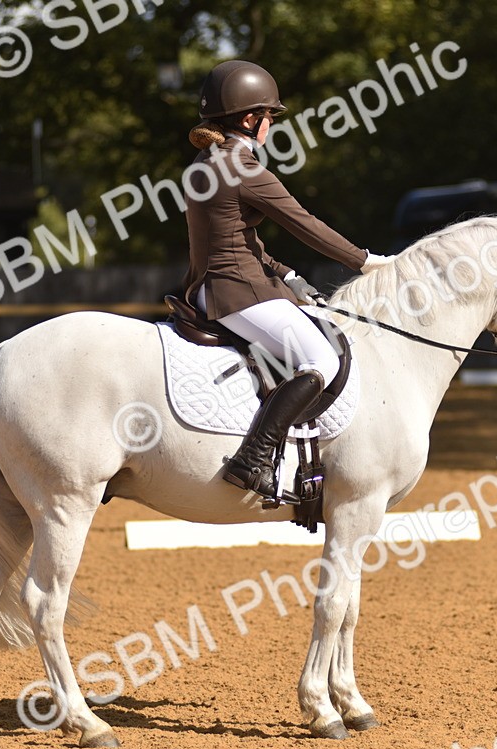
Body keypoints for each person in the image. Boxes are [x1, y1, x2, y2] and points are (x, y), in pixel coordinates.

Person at [180, 60, 392, 500]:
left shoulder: (206, 161)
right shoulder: (242, 167)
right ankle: (252, 459)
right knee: (322, 360)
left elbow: (237, 240)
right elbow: (305, 224)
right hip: (236, 293)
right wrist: (365, 261)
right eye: (269, 117)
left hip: (212, 285)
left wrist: (289, 275)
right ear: (248, 118)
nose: (271, 125)